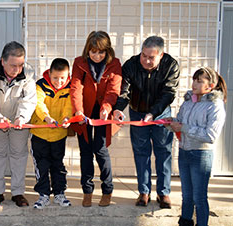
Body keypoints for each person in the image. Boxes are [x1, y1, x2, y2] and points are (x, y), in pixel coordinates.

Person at [166, 67, 227, 226]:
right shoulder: (188, 102)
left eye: (200, 81)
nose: (195, 84)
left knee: (200, 198)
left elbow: (210, 135)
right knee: (187, 197)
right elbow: (181, 121)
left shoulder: (215, 106)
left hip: (201, 155)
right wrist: (171, 122)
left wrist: (183, 127)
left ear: (211, 85)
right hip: (185, 152)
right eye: (194, 80)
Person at [114, 36, 180, 208]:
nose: (146, 60)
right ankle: (144, 192)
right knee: (141, 152)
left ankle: (163, 193)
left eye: (152, 57)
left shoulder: (171, 66)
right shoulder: (131, 65)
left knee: (163, 151)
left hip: (160, 114)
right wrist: (119, 109)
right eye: (144, 55)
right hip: (137, 113)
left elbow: (168, 93)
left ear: (161, 55)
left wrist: (153, 113)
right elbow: (124, 91)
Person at [0, 41, 37, 207]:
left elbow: (29, 99)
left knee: (19, 154)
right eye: (13, 65)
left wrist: (22, 118)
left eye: (20, 65)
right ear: (2, 61)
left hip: (19, 119)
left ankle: (18, 193)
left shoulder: (29, 72)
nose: (17, 70)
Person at [70, 31, 122, 207]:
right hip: (83, 112)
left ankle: (107, 190)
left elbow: (113, 90)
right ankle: (87, 190)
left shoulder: (114, 64)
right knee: (85, 150)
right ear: (87, 50)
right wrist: (78, 111)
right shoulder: (79, 62)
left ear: (107, 51)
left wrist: (106, 108)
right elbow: (75, 88)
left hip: (103, 112)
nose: (97, 56)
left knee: (100, 150)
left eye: (101, 52)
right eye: (93, 52)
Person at [30, 58, 73, 209]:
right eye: (55, 77)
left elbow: (69, 106)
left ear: (68, 75)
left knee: (58, 165)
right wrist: (47, 118)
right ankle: (43, 195)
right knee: (41, 165)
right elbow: (38, 104)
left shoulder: (69, 87)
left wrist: (67, 118)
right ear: (49, 73)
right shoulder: (40, 85)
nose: (59, 81)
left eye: (63, 78)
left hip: (59, 135)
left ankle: (60, 193)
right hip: (40, 133)